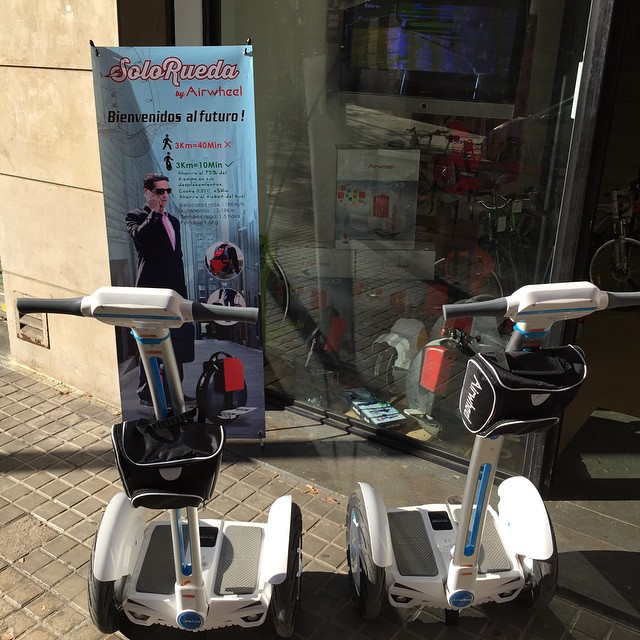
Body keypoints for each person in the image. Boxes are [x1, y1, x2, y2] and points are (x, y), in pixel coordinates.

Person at [126, 173, 194, 406]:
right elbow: (140, 239)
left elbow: (177, 258)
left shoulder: (173, 221)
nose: (165, 196)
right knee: (150, 341)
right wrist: (154, 214)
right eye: (159, 191)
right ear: (147, 193)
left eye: (167, 191)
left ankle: (176, 391)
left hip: (175, 291)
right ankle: (147, 394)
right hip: (151, 290)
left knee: (177, 340)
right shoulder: (136, 216)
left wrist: (182, 291)